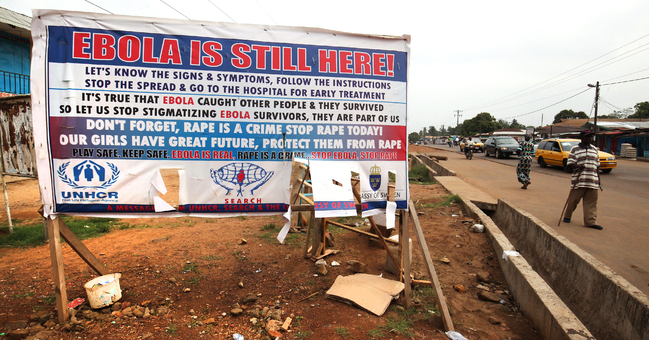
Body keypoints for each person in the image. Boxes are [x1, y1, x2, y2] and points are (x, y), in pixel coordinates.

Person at [562, 130, 603, 230]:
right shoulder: (575, 149)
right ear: (582, 138)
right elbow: (570, 164)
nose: (590, 139)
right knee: (573, 201)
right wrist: (577, 166)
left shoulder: (594, 149)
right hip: (579, 180)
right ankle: (567, 216)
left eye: (591, 137)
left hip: (592, 180)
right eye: (588, 137)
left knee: (591, 203)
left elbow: (597, 166)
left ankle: (590, 222)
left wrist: (598, 180)